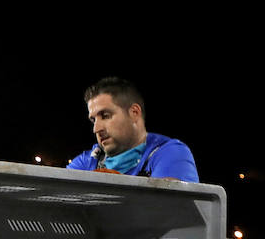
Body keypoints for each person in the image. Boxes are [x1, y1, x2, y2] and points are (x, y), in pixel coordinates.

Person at [66, 77, 198, 182]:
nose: (96, 129)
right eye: (93, 120)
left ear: (134, 113)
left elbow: (165, 210)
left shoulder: (170, 153)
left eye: (105, 116)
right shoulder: (88, 160)